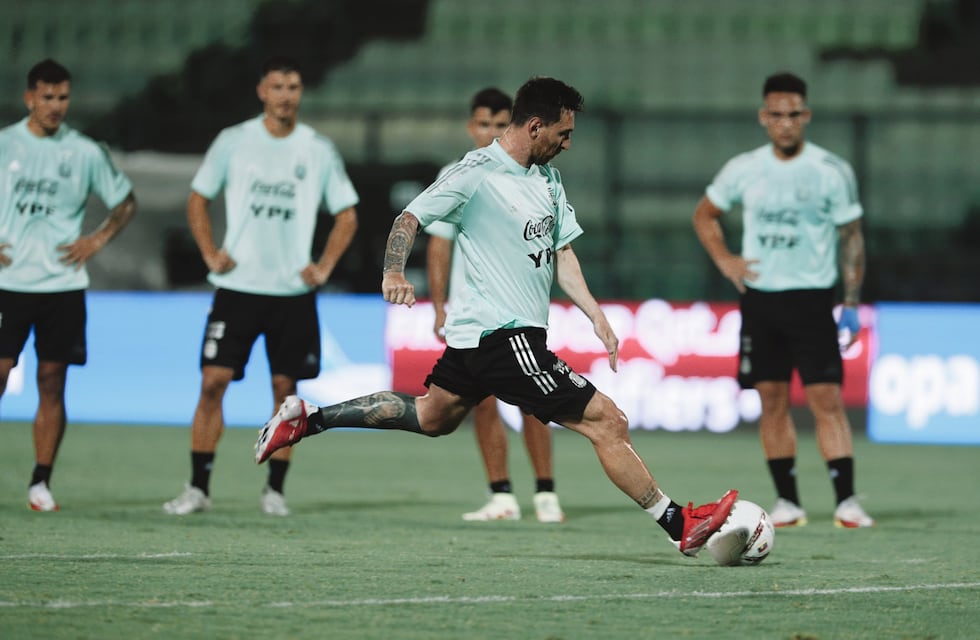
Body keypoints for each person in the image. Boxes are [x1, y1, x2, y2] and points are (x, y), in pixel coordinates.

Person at [256, 76, 738, 558]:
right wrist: (393, 272)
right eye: (563, 133)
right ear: (534, 125)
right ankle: (680, 524)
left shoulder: (547, 178)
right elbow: (410, 218)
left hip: (478, 341)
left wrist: (595, 315)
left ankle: (309, 419)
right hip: (503, 336)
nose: (568, 144)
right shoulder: (476, 172)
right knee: (608, 421)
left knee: (432, 415)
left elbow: (561, 252)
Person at [163, 56, 358, 517]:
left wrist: (324, 265)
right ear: (261, 92)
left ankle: (275, 489)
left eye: (294, 86)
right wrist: (211, 254)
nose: (286, 95)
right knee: (213, 381)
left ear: (300, 92)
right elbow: (197, 198)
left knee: (285, 393)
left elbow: (347, 213)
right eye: (278, 86)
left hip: (292, 293)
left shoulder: (317, 149)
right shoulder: (234, 141)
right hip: (238, 288)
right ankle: (198, 487)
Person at [692, 71, 873, 528]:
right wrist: (726, 260)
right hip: (761, 301)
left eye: (794, 114)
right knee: (771, 400)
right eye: (777, 114)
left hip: (813, 299)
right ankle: (788, 502)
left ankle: (846, 500)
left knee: (826, 399)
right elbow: (705, 214)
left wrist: (851, 302)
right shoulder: (744, 168)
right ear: (763, 117)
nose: (786, 123)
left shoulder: (831, 170)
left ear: (806, 116)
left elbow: (851, 237)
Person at [0, 59, 137, 512]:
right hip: (9, 282)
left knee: (51, 381)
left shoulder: (83, 151)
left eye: (63, 97)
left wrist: (95, 240)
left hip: (62, 285)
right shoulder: (5, 145)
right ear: (29, 98)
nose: (56, 106)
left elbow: (125, 202)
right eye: (47, 97)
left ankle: (40, 483)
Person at [426, 87, 564, 523]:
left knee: (534, 400)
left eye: (497, 123)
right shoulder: (460, 173)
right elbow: (439, 246)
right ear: (472, 126)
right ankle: (501, 493)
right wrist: (438, 306)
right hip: (474, 312)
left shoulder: (534, 174)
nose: (488, 131)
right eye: (482, 123)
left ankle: (545, 493)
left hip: (518, 309)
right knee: (479, 402)